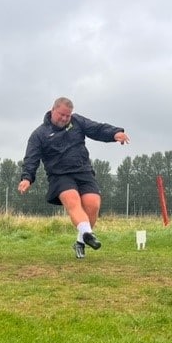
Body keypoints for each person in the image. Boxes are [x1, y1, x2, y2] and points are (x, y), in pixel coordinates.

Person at [18, 97, 130, 259]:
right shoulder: (39, 134)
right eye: (61, 115)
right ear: (53, 110)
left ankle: (81, 241)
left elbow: (97, 129)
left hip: (83, 171)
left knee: (93, 204)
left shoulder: (77, 122)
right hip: (59, 175)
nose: (64, 118)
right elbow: (31, 158)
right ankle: (89, 235)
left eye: (67, 116)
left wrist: (115, 133)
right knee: (72, 200)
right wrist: (27, 178)